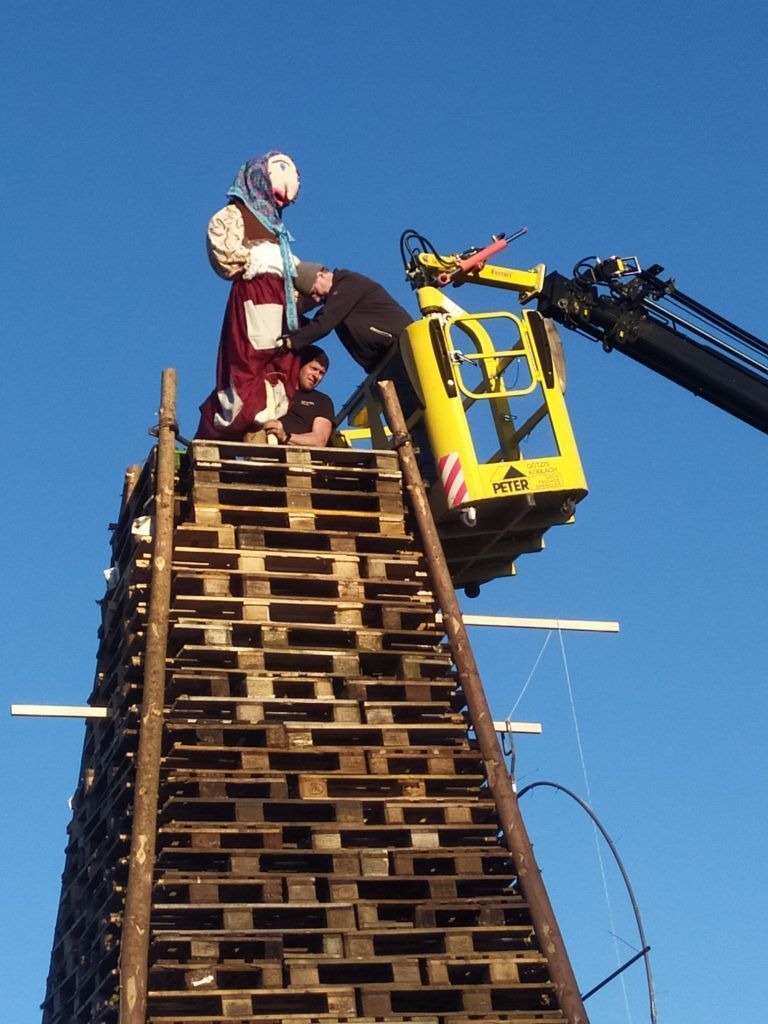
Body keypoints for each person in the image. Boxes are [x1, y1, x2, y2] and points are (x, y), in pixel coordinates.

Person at [278, 264, 435, 479]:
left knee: (415, 418)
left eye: (314, 291)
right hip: (384, 365)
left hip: (400, 355)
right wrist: (287, 312)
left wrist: (289, 343)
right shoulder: (337, 299)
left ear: (321, 274)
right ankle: (418, 474)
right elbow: (316, 322)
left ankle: (430, 474)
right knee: (401, 425)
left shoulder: (349, 285)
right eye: (311, 296)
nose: (315, 299)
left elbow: (323, 324)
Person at [195, 151, 303, 441]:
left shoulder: (277, 231)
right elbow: (225, 252)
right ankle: (248, 423)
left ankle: (273, 425)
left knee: (283, 359)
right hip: (256, 293)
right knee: (252, 359)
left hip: (281, 300)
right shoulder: (237, 214)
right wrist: (256, 261)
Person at [264, 346, 334, 448]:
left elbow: (320, 440)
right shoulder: (276, 390)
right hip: (264, 451)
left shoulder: (322, 400)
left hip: (300, 458)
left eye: (321, 373)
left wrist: (285, 437)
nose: (316, 376)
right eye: (314, 369)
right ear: (300, 366)